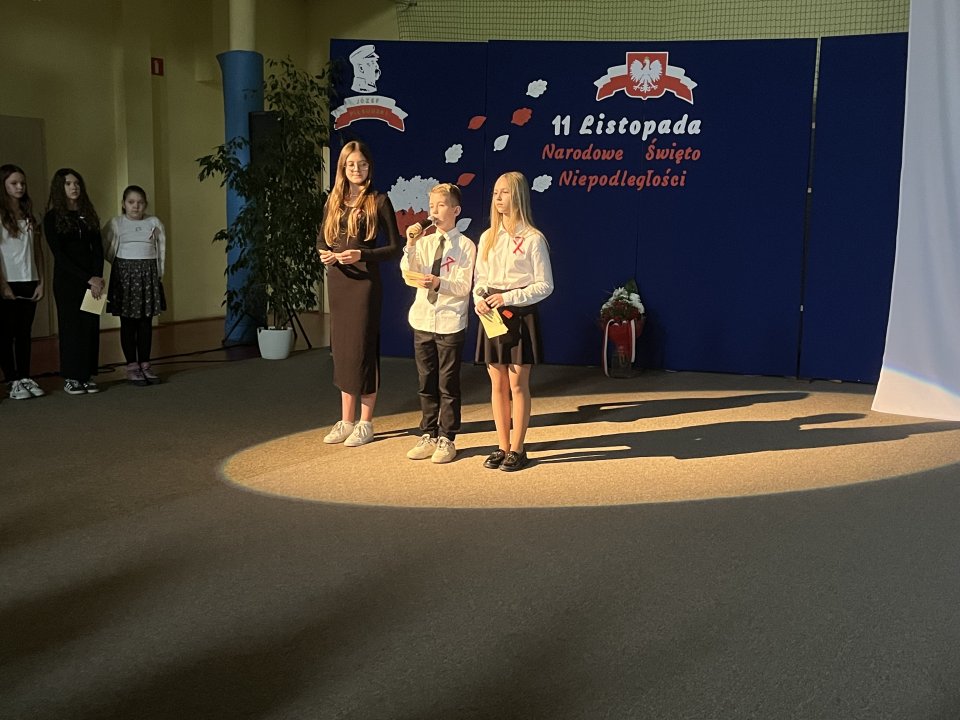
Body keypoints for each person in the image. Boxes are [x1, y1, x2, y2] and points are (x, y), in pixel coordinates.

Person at [317, 141, 402, 447]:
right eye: (351, 164)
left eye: (362, 164)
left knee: (362, 349)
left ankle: (365, 422)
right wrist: (325, 254)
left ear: (369, 167)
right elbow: (321, 240)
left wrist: (362, 255)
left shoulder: (379, 200)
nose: (357, 169)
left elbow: (394, 247)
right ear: (342, 167)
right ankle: (345, 420)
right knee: (342, 350)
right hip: (339, 281)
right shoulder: (333, 200)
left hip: (364, 283)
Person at [473, 171, 554, 472]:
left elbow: (545, 285)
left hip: (519, 314)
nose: (498, 197)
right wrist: (479, 298)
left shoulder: (533, 238)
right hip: (492, 314)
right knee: (497, 383)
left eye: (504, 192)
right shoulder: (488, 237)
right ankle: (502, 446)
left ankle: (518, 448)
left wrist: (508, 297)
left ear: (518, 196)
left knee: (517, 384)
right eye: (495, 192)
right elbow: (480, 279)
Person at [400, 183, 476, 464]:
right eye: (431, 206)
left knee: (448, 382)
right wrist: (410, 244)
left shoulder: (466, 246)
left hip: (449, 321)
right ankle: (428, 432)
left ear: (455, 210)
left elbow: (463, 286)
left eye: (441, 205)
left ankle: (447, 436)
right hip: (423, 318)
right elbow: (408, 272)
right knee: (425, 381)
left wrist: (438, 282)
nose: (434, 211)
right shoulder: (424, 242)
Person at [43, 168, 104, 395]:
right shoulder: (52, 217)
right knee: (71, 329)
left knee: (90, 327)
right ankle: (71, 376)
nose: (74, 187)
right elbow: (59, 255)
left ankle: (87, 375)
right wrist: (87, 278)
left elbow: (98, 249)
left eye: (77, 183)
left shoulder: (89, 214)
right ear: (60, 188)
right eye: (68, 183)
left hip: (94, 282)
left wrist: (97, 278)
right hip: (68, 282)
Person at [102, 185, 166, 386]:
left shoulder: (154, 222)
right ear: (123, 204)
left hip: (148, 275)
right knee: (128, 322)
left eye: (140, 202)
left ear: (145, 204)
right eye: (131, 202)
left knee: (146, 322)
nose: (135, 206)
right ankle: (132, 366)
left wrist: (158, 274)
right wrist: (121, 266)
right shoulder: (116, 223)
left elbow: (161, 249)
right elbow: (105, 246)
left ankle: (145, 364)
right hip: (125, 277)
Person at [0, 164, 46, 400]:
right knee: (6, 333)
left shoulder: (30, 215)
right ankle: (12, 379)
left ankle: (25, 376)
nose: (19, 187)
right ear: (3, 186)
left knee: (24, 332)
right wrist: (3, 283)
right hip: (8, 280)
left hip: (29, 279)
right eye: (14, 183)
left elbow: (38, 251)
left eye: (22, 183)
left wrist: (41, 281)